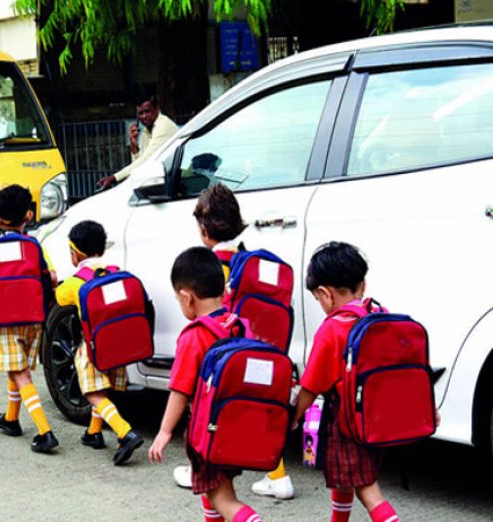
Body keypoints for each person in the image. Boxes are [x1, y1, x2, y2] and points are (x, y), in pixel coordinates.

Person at [171, 184, 296, 500]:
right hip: (260, 350)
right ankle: (277, 475)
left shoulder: (214, 263)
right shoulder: (249, 260)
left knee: (207, 407)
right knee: (255, 407)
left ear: (203, 228)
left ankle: (202, 464)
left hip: (224, 352)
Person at [149, 247, 263, 522]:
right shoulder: (240, 326)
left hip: (209, 433)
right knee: (214, 492)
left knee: (222, 498)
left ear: (187, 298)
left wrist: (165, 431)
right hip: (239, 427)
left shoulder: (194, 336)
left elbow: (179, 389)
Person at [291, 242, 400, 522]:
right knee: (344, 480)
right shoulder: (380, 316)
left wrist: (292, 416)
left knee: (367, 489)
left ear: (325, 294)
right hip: (377, 418)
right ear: (363, 284)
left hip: (346, 422)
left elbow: (311, 386)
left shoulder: (333, 328)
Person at [0, 184, 59, 453]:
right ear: (28, 215)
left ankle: (44, 431)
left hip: (1, 320)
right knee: (16, 367)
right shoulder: (34, 246)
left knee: (19, 371)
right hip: (32, 318)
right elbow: (51, 276)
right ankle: (11, 418)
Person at [54, 220, 145, 464]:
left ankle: (125, 432)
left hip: (93, 346)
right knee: (105, 389)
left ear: (75, 254)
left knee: (93, 392)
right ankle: (94, 432)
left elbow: (60, 300)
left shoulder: (76, 282)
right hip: (119, 343)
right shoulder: (117, 273)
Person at [96, 90, 179, 189]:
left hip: (179, 180)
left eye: (147, 111)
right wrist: (134, 146)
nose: (144, 116)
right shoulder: (146, 131)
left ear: (157, 109)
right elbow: (139, 164)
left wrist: (114, 178)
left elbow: (146, 160)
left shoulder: (163, 126)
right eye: (140, 113)